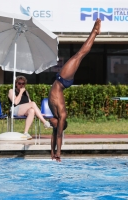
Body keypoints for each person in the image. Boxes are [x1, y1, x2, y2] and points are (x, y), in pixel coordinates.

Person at [48, 18, 101, 162]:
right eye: (53, 124)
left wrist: (52, 153)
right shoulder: (62, 115)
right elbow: (59, 136)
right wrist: (59, 153)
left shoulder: (56, 117)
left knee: (80, 55)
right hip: (63, 80)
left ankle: (95, 32)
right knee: (80, 54)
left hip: (60, 80)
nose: (49, 123)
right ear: (60, 123)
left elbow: (53, 137)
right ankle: (95, 32)